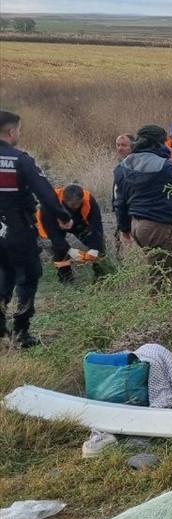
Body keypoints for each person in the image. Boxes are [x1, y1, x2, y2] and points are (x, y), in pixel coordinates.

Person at [0, 109, 72, 347]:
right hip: (17, 227)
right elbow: (45, 193)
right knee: (28, 277)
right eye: (18, 129)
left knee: (3, 274)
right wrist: (63, 215)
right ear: (11, 131)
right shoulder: (20, 160)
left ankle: (1, 332)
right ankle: (21, 333)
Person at [113, 124, 172, 291]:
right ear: (160, 142)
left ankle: (165, 310)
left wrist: (124, 228)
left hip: (137, 227)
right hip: (158, 226)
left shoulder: (123, 166)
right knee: (164, 280)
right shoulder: (164, 166)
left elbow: (120, 200)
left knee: (158, 271)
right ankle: (163, 313)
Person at [37, 183, 107, 284]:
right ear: (64, 200)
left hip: (79, 223)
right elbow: (54, 236)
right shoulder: (49, 203)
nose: (76, 207)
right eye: (73, 205)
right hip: (55, 225)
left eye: (78, 204)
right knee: (60, 250)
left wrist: (95, 248)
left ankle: (101, 277)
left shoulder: (89, 200)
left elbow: (96, 225)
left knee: (99, 246)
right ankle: (66, 280)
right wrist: (69, 250)